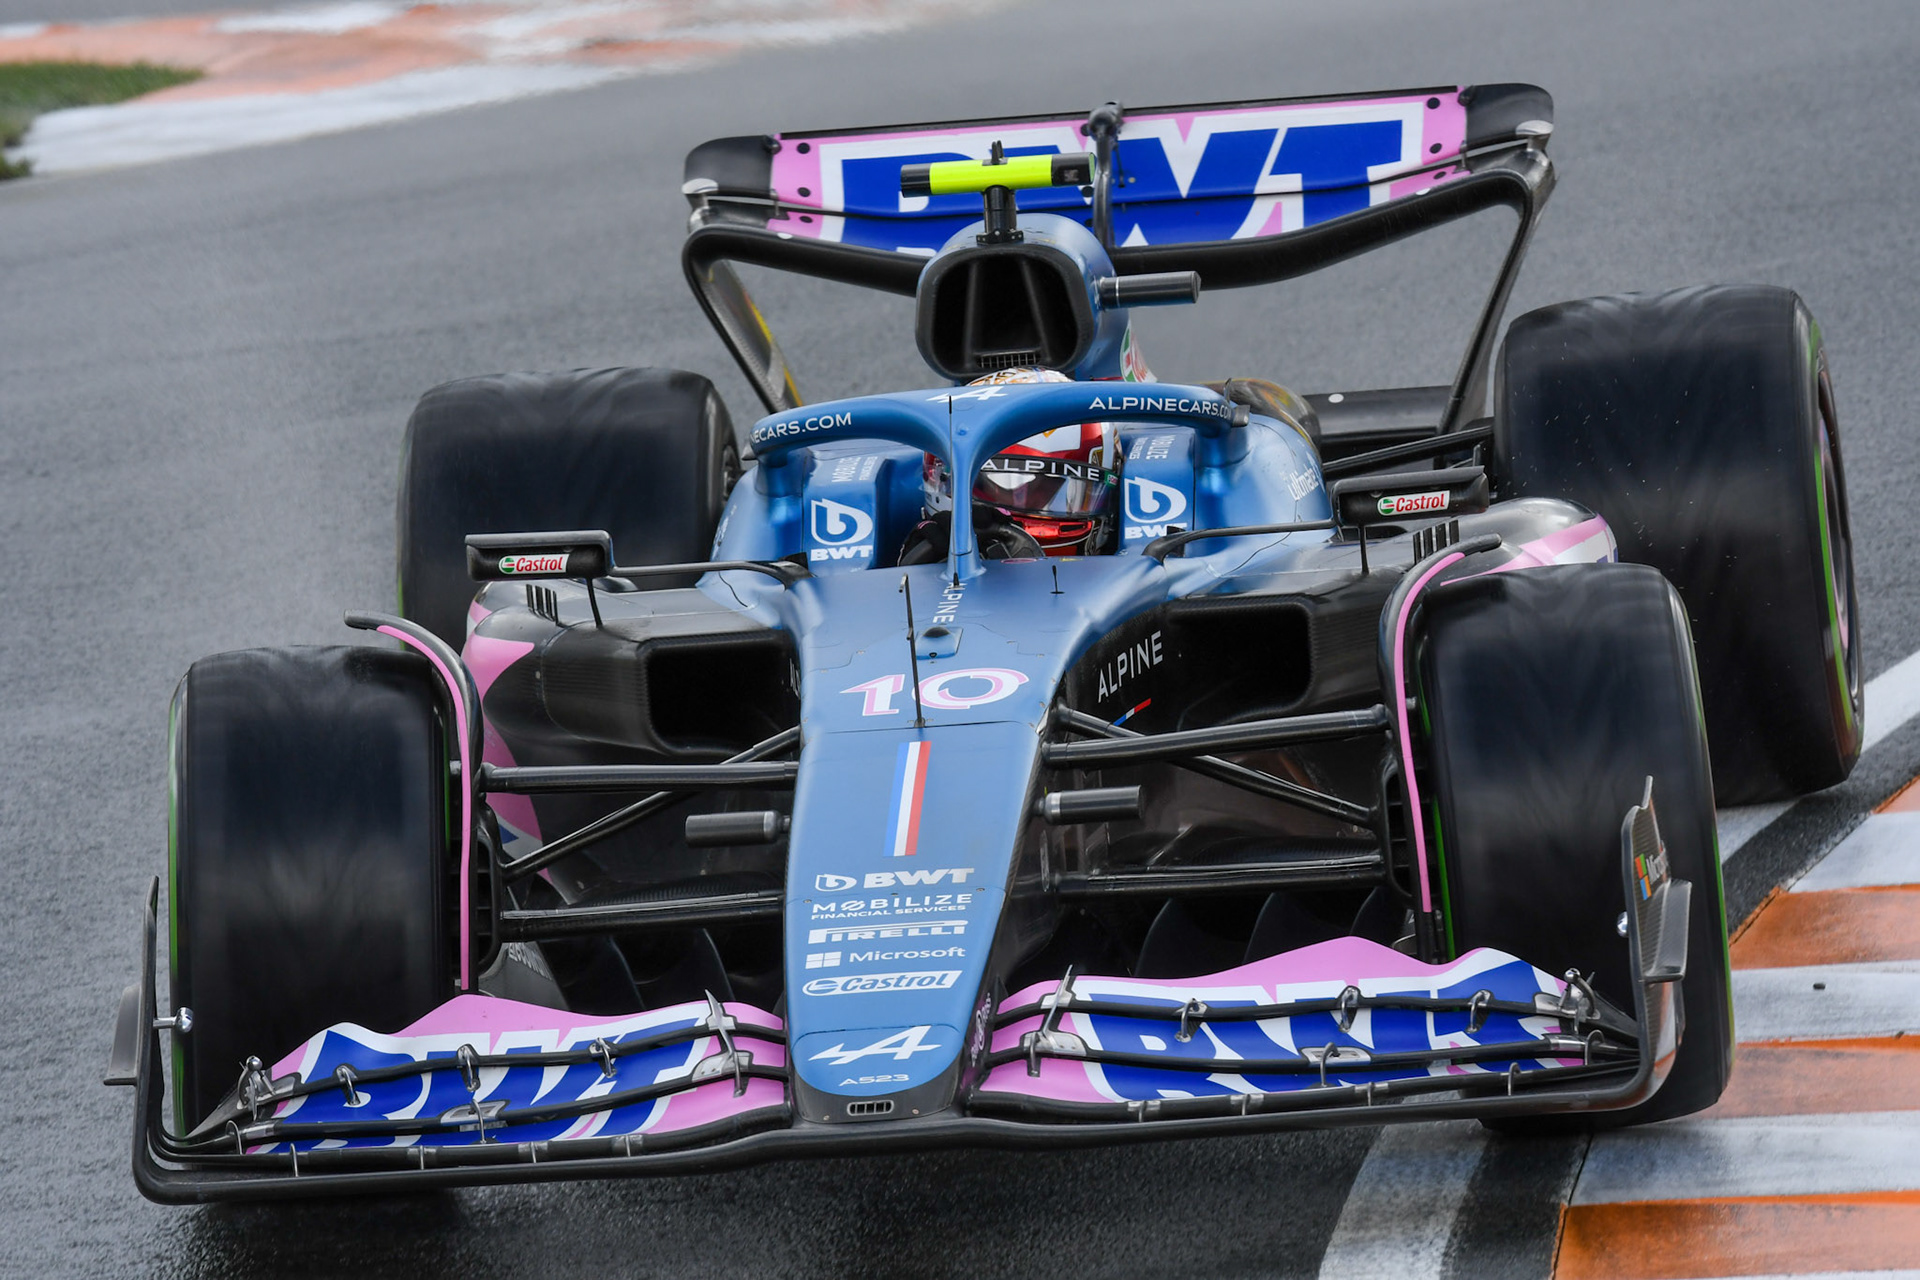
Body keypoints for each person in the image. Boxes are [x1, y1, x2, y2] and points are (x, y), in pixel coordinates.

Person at [904, 367, 1119, 562]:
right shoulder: (919, 562)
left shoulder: (1136, 572)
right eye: (1003, 487)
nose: (1024, 519)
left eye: (1071, 496)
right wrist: (917, 574)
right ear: (943, 482)